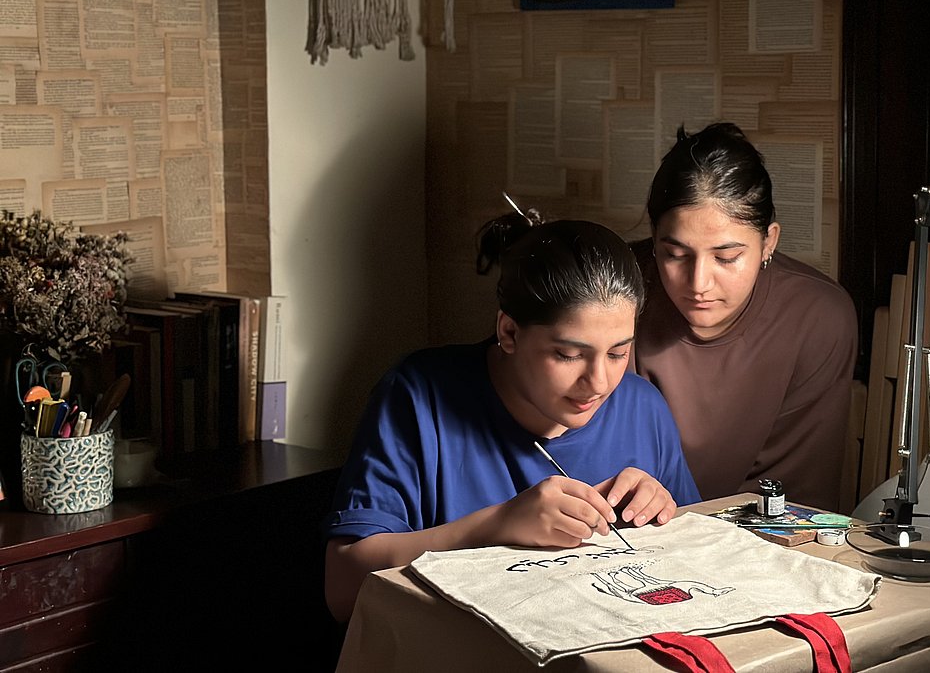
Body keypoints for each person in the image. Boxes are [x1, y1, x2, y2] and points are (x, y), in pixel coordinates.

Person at [322, 209, 701, 623]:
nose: (598, 382)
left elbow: (703, 567)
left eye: (617, 353)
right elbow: (343, 589)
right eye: (569, 354)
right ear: (509, 332)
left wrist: (664, 518)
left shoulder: (642, 408)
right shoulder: (418, 397)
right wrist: (494, 526)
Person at [632, 122, 858, 511]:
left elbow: (796, 501)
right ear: (654, 239)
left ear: (769, 241)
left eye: (726, 257)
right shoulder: (615, 289)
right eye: (675, 254)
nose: (698, 283)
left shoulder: (817, 318)